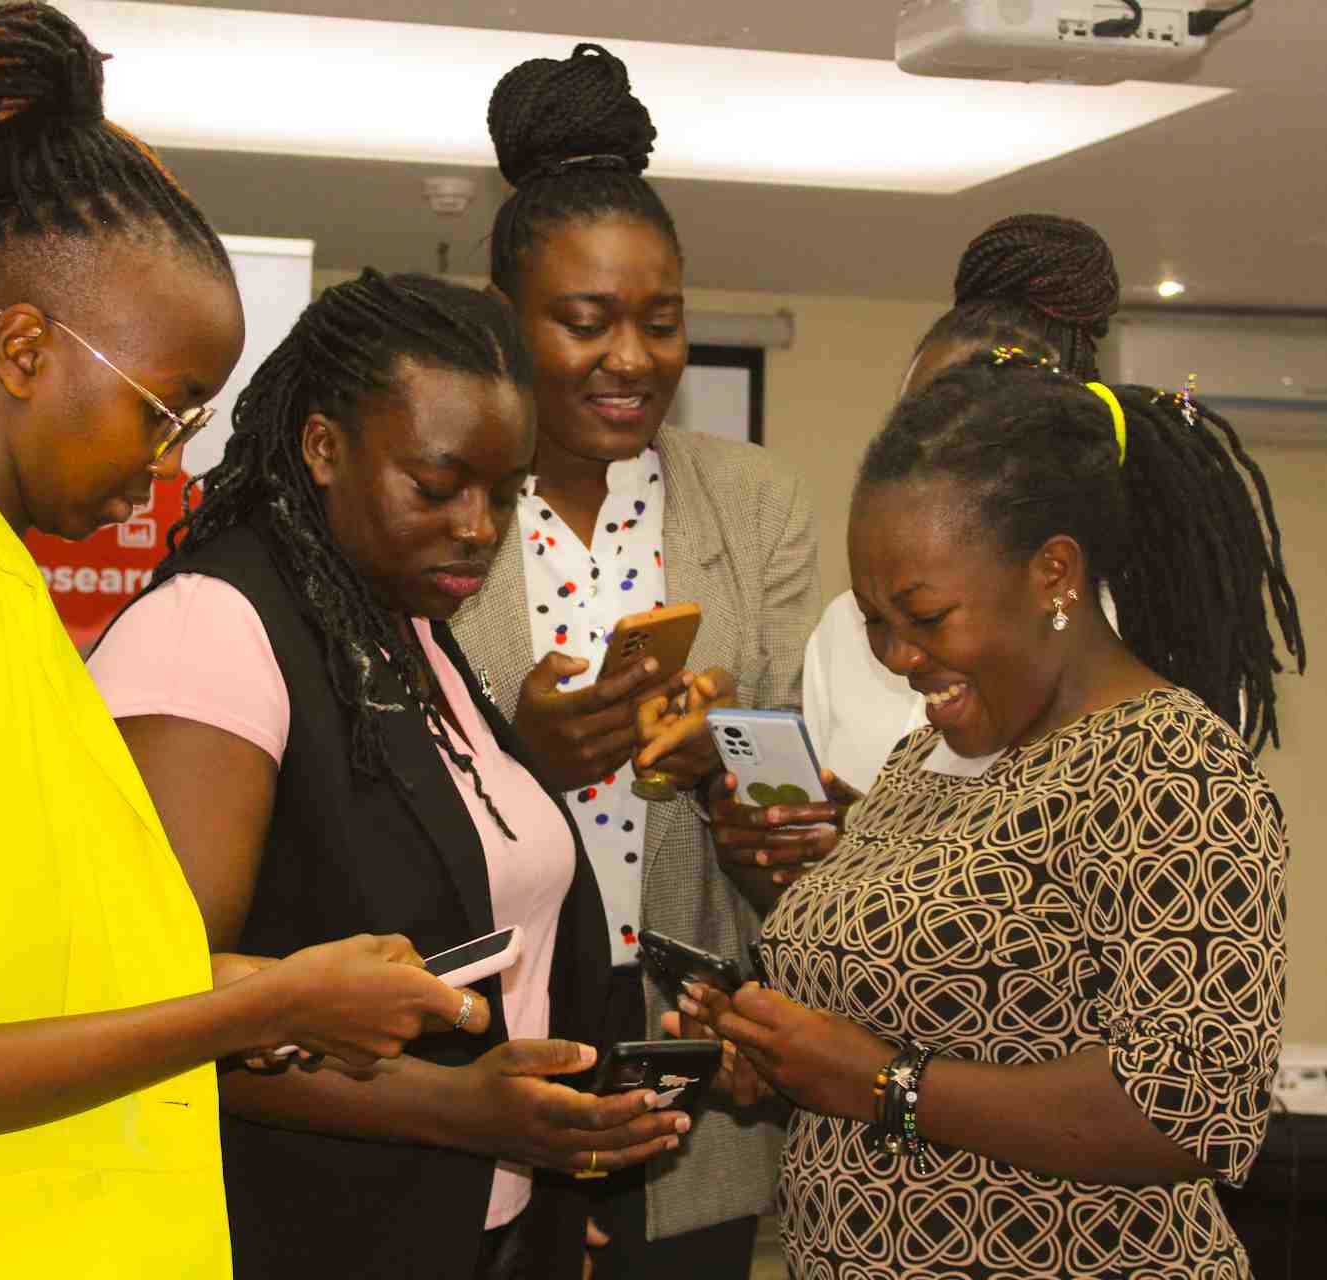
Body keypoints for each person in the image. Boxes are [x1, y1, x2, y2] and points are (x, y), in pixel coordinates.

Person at [0, 8, 480, 1278]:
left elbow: (33, 968)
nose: (170, 463)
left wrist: (261, 984)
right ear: (23, 347)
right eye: (161, 412)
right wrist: (267, 1003)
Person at [86, 269, 687, 1280]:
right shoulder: (213, 630)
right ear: (323, 447)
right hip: (300, 1232)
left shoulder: (403, 625)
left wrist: (548, 1172)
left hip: (489, 1226)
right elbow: (153, 1012)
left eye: (505, 493)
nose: (478, 528)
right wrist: (455, 1104)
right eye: (438, 485)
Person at [676, 353, 1306, 1278]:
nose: (897, 656)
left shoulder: (1168, 765)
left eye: (925, 617)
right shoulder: (924, 759)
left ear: (1054, 573)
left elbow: (1192, 1110)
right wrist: (781, 1063)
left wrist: (881, 1083)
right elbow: (925, 1029)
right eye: (876, 623)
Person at [448, 42, 821, 1279]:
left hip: (693, 1040)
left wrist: (728, 771)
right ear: (510, 323)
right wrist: (524, 754)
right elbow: (377, 770)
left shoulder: (755, 502)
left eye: (661, 322)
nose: (633, 357)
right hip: (485, 1036)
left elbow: (788, 772)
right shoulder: (447, 505)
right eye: (587, 320)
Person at [723, 214, 1127, 897]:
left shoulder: (1136, 659)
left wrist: (881, 859)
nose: (898, 654)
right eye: (914, 422)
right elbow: (810, 914)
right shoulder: (847, 634)